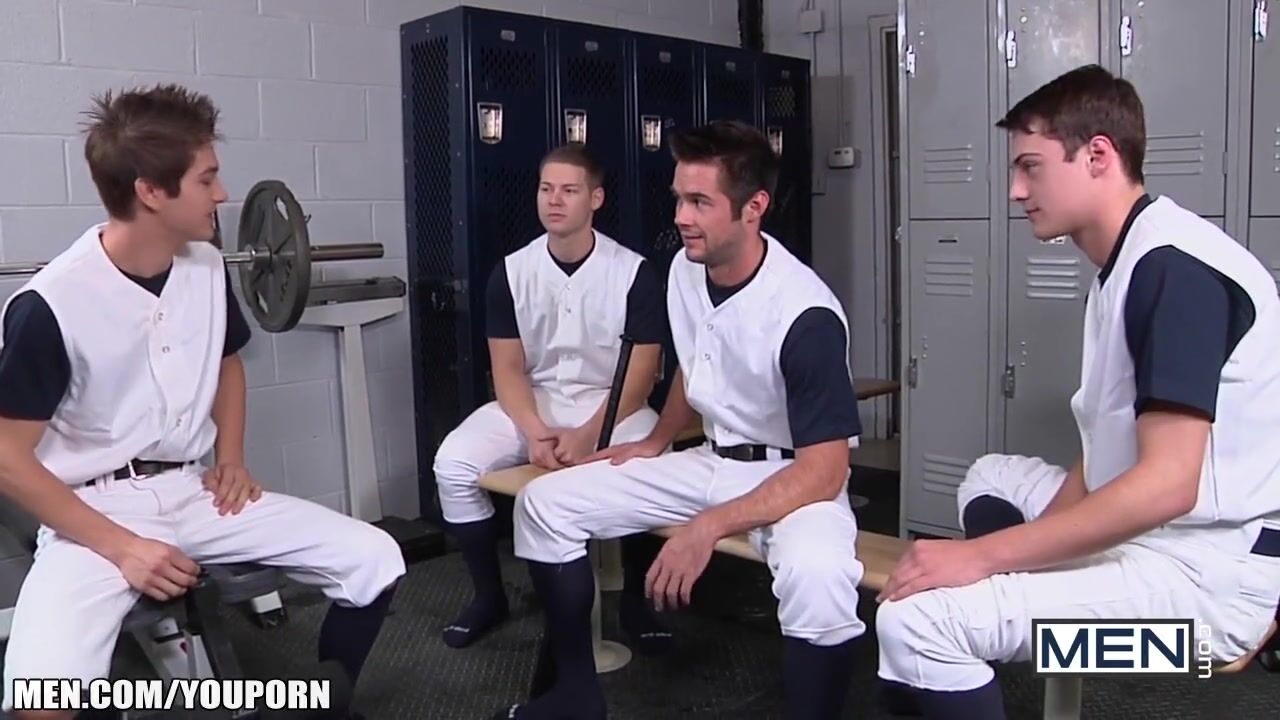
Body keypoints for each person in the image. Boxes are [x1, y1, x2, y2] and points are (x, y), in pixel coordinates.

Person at [874, 64, 1280, 719]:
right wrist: (1006, 562)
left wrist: (979, 558)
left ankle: (1010, 626)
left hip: (1209, 602)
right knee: (988, 479)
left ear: (1097, 156)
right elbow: (1107, 452)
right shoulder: (1131, 261)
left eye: (1030, 167)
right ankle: (1039, 609)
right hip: (1159, 540)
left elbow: (1168, 487)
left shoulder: (1174, 271)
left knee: (916, 625)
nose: (1015, 190)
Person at [0, 84, 405, 720]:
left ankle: (328, 703)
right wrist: (123, 547)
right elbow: (7, 458)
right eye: (207, 178)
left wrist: (232, 458)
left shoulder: (206, 266)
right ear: (151, 192)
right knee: (38, 698)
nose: (222, 194)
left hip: (195, 490)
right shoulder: (49, 306)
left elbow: (227, 362)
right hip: (94, 511)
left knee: (375, 557)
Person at [490, 120, 866, 720]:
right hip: (710, 461)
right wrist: (658, 439)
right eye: (678, 199)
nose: (681, 217)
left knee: (819, 578)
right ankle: (576, 695)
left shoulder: (805, 313)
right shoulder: (686, 270)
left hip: (795, 479)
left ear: (754, 208)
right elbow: (697, 364)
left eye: (699, 202)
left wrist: (706, 528)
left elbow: (825, 471)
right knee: (544, 504)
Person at [431, 143, 674, 652]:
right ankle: (488, 596)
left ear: (596, 199)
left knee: (652, 463)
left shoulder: (633, 273)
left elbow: (641, 375)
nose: (554, 200)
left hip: (613, 405)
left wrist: (589, 435)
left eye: (569, 190)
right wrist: (535, 432)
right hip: (535, 401)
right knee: (452, 464)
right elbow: (507, 369)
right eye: (546, 189)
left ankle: (636, 601)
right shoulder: (511, 271)